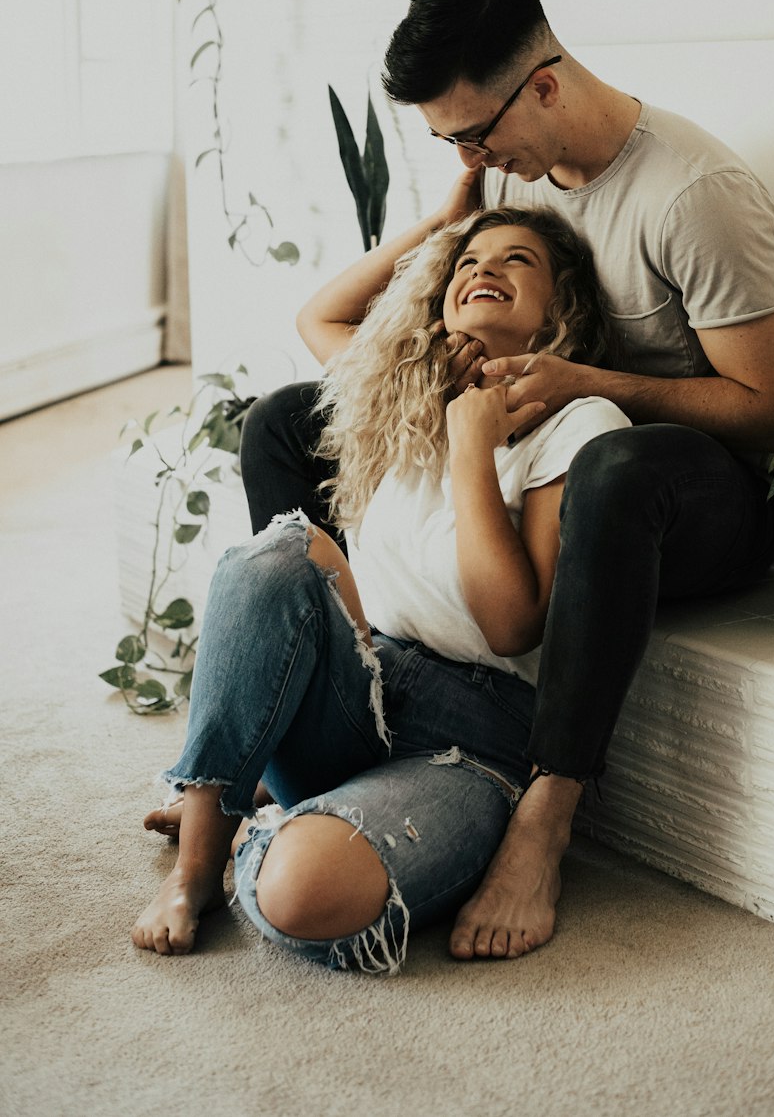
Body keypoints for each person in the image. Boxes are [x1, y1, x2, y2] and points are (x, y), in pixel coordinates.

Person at [241, 0, 774, 962]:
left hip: (698, 488)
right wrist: (452, 211)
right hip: (551, 451)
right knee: (288, 419)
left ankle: (547, 811)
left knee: (615, 469)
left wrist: (584, 382)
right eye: (447, 139)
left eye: (473, 131)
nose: (469, 154)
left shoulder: (694, 191)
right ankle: (336, 681)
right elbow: (352, 330)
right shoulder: (506, 171)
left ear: (542, 84)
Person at [132, 207, 628, 967]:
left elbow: (510, 627)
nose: (482, 268)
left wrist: (473, 449)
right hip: (360, 688)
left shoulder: (581, 423)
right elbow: (320, 316)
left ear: (560, 310)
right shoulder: (403, 397)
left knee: (304, 895)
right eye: (466, 263)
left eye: (516, 260)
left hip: (474, 741)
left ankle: (271, 815)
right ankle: (198, 866)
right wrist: (443, 221)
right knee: (278, 554)